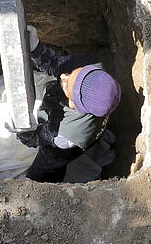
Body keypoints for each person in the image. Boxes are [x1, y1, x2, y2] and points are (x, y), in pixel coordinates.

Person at [13, 25, 122, 182]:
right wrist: (37, 49)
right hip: (86, 125)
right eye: (73, 74)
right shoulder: (92, 66)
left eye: (68, 85)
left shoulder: (65, 135)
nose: (64, 77)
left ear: (76, 103)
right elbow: (60, 64)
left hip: (64, 148)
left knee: (47, 167)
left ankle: (45, 186)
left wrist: (22, 130)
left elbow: (36, 138)